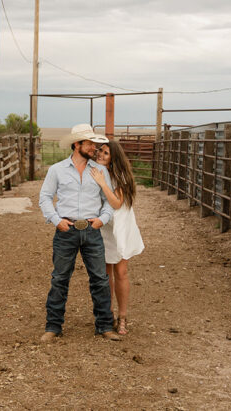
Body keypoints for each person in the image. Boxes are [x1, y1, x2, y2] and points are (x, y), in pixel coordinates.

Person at [38, 124, 121, 342]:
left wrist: (102, 220)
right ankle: (53, 327)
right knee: (59, 279)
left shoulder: (101, 171)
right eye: (90, 143)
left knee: (100, 279)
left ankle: (104, 326)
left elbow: (109, 202)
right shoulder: (56, 170)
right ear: (77, 145)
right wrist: (56, 221)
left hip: (92, 231)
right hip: (66, 230)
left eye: (95, 143)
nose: (94, 147)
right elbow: (45, 197)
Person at [89, 140, 144, 336]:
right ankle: (107, 313)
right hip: (105, 227)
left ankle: (123, 316)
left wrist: (102, 183)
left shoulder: (120, 176)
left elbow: (117, 203)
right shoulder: (97, 171)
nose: (100, 155)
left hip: (120, 227)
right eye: (100, 151)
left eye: (106, 153)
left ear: (114, 158)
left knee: (120, 271)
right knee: (105, 273)